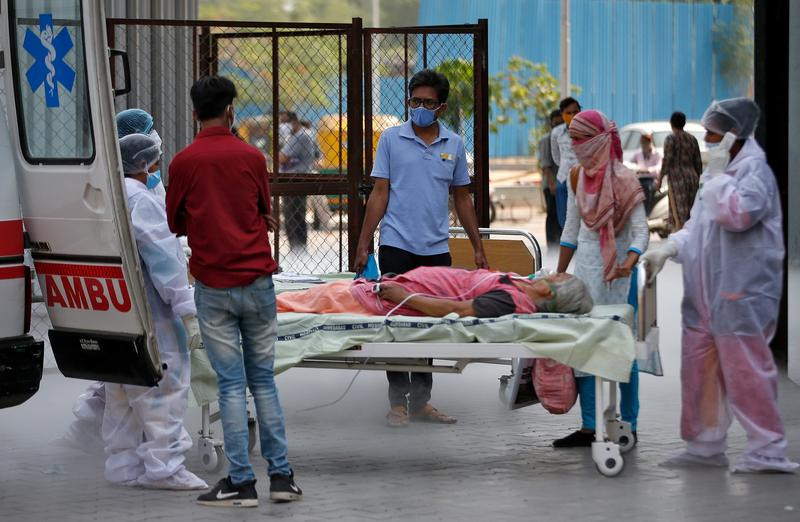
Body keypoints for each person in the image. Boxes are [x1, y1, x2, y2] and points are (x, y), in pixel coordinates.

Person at [167, 76, 303, 507]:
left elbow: (174, 223)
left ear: (194, 114)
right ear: (231, 111)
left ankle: (241, 483)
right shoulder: (252, 156)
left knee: (230, 386)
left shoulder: (183, 162)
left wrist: (204, 222)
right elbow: (264, 210)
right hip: (257, 284)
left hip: (213, 285)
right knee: (263, 381)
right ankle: (281, 478)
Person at [643, 98, 799, 473]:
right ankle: (704, 445)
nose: (708, 141)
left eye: (713, 135)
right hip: (703, 297)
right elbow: (697, 225)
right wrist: (669, 247)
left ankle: (767, 449)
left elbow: (737, 215)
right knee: (699, 373)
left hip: (741, 293)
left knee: (747, 374)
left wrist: (714, 178)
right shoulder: (718, 171)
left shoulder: (754, 173)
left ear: (735, 135)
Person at [352, 68, 488, 428]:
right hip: (396, 244)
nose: (420, 108)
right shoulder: (391, 140)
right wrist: (364, 244)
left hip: (435, 251)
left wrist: (477, 247)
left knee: (428, 325)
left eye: (428, 102)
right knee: (396, 324)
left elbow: (462, 198)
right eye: (415, 101)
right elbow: (379, 193)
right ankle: (397, 402)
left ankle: (421, 402)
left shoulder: (454, 144)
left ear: (441, 107)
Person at [59, 108, 169, 453]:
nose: (156, 141)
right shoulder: (122, 189)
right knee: (125, 366)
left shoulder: (148, 180)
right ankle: (93, 434)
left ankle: (99, 436)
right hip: (134, 284)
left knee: (121, 369)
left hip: (142, 281)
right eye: (151, 133)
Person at [100, 133, 206, 490]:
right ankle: (165, 468)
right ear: (148, 164)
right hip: (152, 312)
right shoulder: (141, 201)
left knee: (121, 386)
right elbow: (163, 259)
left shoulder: (106, 197)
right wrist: (186, 307)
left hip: (115, 307)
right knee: (164, 387)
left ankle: (122, 465)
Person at [552, 109, 648, 448]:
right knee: (585, 350)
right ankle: (590, 425)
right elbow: (571, 230)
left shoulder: (625, 180)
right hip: (586, 277)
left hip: (619, 279)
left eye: (579, 139)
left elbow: (640, 232)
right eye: (572, 139)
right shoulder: (577, 177)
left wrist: (630, 261)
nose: (574, 146)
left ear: (598, 140)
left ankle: (629, 425)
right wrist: (561, 273)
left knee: (623, 351)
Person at [277, 268, 593, 317]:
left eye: (560, 275)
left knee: (298, 303)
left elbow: (457, 310)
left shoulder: (510, 301)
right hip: (389, 288)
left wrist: (400, 295)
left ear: (553, 291)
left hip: (380, 297)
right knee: (314, 294)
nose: (555, 271)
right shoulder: (522, 284)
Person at [656, 111, 702, 231]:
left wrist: (660, 179)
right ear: (684, 123)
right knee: (693, 213)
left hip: (677, 180)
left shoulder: (671, 139)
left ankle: (681, 243)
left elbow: (667, 160)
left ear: (671, 123)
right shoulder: (692, 139)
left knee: (679, 215)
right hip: (693, 178)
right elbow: (698, 162)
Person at [279, 111, 317, 249]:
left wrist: (286, 158)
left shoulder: (300, 136)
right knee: (295, 216)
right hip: (294, 178)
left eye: (284, 123)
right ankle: (298, 248)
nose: (282, 126)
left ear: (293, 121)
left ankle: (298, 249)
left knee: (293, 216)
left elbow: (281, 158)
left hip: (295, 180)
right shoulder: (298, 135)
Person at [551, 97, 582, 228]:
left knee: (582, 216)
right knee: (564, 219)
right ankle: (569, 245)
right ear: (563, 115)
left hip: (582, 179)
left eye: (575, 112)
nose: (573, 116)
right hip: (563, 178)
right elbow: (556, 156)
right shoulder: (556, 132)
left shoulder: (587, 130)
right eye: (568, 113)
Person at [538, 109, 564, 247]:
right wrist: (552, 184)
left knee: (562, 218)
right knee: (552, 217)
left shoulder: (564, 139)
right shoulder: (546, 140)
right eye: (556, 123)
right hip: (552, 186)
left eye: (561, 123)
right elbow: (545, 164)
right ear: (551, 124)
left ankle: (561, 245)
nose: (558, 126)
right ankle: (552, 246)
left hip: (562, 185)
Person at [632, 133, 662, 214]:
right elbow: (631, 164)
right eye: (642, 143)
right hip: (639, 178)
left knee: (646, 187)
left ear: (650, 143)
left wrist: (647, 170)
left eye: (645, 142)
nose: (643, 145)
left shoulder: (657, 154)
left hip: (651, 179)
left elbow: (659, 167)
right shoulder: (637, 154)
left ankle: (646, 213)